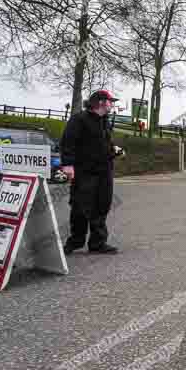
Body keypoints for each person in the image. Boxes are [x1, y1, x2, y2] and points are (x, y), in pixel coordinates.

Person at [60, 89, 125, 254]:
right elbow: (68, 142)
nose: (113, 105)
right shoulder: (79, 119)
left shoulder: (105, 121)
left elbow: (103, 144)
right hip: (85, 172)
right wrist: (68, 164)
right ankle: (75, 241)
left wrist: (114, 150)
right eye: (111, 102)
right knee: (81, 207)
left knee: (102, 205)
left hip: (104, 171)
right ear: (102, 102)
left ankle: (97, 242)